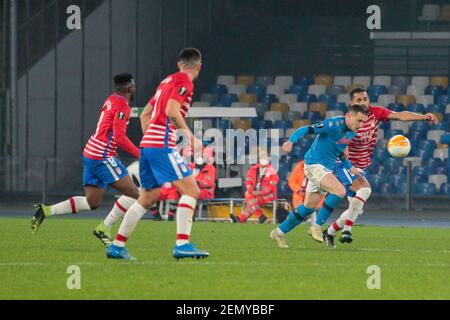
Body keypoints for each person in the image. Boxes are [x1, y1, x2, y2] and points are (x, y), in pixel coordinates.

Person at [105, 48, 209, 260]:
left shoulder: (166, 82)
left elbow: (145, 114)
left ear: (179, 64)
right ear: (198, 66)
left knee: (147, 198)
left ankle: (117, 246)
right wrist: (190, 137)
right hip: (161, 144)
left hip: (148, 144)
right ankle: (182, 244)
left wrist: (150, 138)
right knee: (192, 190)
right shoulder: (185, 81)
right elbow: (172, 111)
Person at [311, 87, 439, 244]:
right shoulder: (349, 120)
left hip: (361, 167)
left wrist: (423, 117)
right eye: (359, 100)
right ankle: (346, 231)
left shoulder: (376, 113)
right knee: (365, 189)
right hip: (345, 164)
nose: (363, 102)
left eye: (365, 99)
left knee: (356, 209)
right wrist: (347, 158)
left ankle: (328, 233)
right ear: (351, 103)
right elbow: (343, 144)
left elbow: (400, 115)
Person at [31, 74, 141, 241]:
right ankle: (105, 228)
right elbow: (119, 137)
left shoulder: (111, 99)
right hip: (101, 155)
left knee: (92, 202)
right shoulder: (122, 106)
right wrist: (142, 154)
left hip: (91, 152)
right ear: (130, 88)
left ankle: (45, 211)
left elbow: (107, 130)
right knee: (137, 194)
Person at [270, 104, 369, 249]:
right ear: (350, 116)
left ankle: (279, 232)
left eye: (363, 122)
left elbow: (339, 153)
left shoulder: (352, 132)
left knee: (308, 207)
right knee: (340, 191)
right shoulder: (332, 124)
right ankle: (317, 227)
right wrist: (290, 141)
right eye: (359, 121)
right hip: (313, 164)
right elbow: (304, 129)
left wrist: (351, 168)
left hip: (325, 168)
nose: (361, 125)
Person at [151, 146, 217, 221]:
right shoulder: (192, 165)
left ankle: (187, 217)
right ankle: (162, 215)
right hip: (189, 188)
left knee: (187, 192)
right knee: (176, 189)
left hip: (205, 192)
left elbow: (207, 184)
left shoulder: (211, 168)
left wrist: (192, 182)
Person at [237, 151, 279, 224]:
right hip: (254, 193)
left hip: (268, 195)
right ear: (259, 159)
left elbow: (271, 186)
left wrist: (260, 192)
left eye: (265, 158)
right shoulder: (253, 169)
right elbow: (248, 181)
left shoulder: (272, 171)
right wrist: (251, 190)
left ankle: (241, 218)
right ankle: (260, 216)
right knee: (249, 195)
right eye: (262, 158)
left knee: (252, 201)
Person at [288, 160, 325, 228]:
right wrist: (299, 190)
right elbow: (292, 181)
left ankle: (313, 224)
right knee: (298, 214)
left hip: (314, 194)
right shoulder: (299, 167)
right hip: (300, 195)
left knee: (313, 209)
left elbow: (323, 184)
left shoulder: (321, 168)